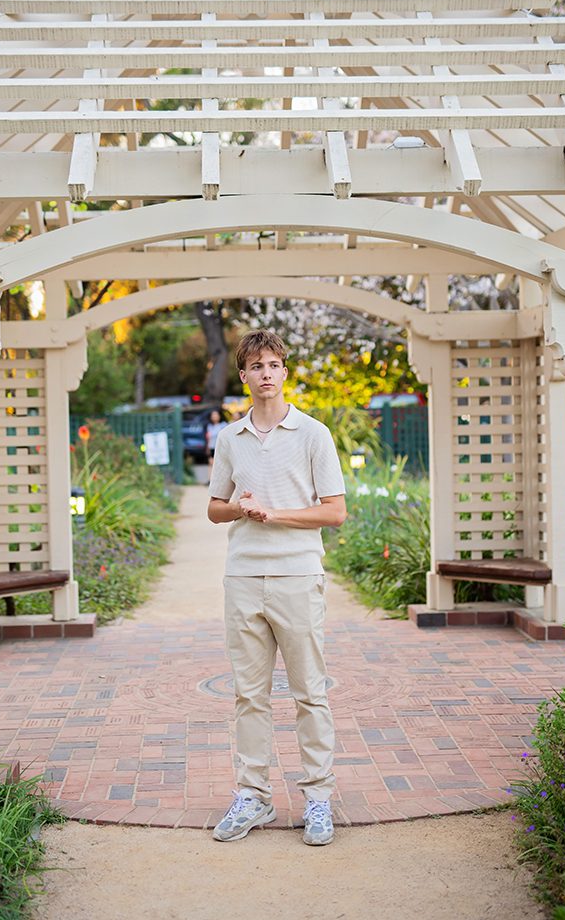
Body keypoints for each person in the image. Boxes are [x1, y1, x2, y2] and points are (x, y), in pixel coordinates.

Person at [207, 329, 346, 845]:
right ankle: (253, 797)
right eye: (255, 366)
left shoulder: (314, 434)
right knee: (249, 696)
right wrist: (240, 509)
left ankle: (317, 800)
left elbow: (335, 511)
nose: (266, 373)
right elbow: (214, 508)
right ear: (242, 376)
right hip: (243, 578)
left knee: (311, 694)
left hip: (297, 575)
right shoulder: (229, 438)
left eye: (274, 364)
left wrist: (276, 514)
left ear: (285, 371)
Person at [206, 409, 227, 481]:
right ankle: (210, 479)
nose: (214, 416)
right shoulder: (210, 426)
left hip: (220, 447)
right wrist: (207, 447)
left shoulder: (223, 425)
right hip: (212, 447)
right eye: (213, 415)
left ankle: (220, 479)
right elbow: (208, 437)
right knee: (211, 463)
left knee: (220, 464)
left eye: (216, 415)